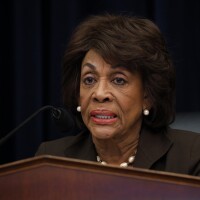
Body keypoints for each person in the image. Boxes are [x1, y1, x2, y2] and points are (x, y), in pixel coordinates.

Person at [36, 14, 200, 176]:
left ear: (148, 96)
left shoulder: (190, 157)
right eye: (89, 79)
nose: (99, 94)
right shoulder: (51, 160)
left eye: (119, 80)